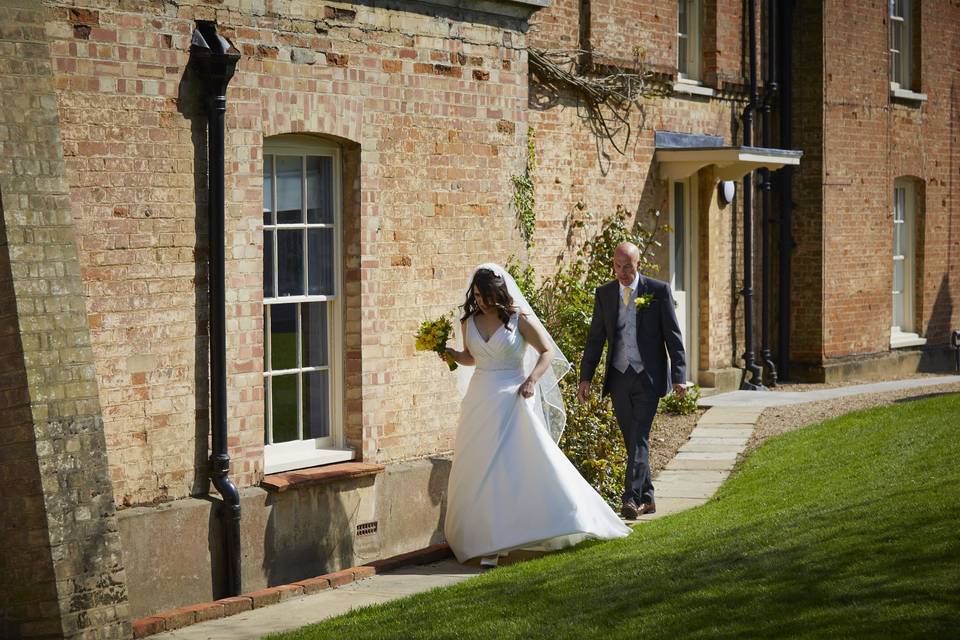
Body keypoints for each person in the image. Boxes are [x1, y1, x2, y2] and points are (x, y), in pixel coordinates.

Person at [442, 264, 630, 569]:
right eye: (476, 295)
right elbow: (472, 358)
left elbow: (547, 352)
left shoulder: (519, 318)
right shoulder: (469, 321)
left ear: (498, 292)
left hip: (514, 399)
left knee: (517, 466)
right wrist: (450, 353)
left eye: (485, 295)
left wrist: (531, 380)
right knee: (480, 470)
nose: (480, 301)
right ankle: (487, 540)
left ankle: (571, 514)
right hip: (480, 400)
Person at [576, 242, 687, 520]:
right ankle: (648, 497)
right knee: (632, 440)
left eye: (627, 266)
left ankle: (631, 498)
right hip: (619, 377)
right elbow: (595, 338)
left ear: (639, 265)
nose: (622, 272)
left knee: (639, 437)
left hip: (648, 377)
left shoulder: (657, 291)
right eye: (617, 266)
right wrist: (585, 377)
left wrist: (679, 376)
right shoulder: (605, 293)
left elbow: (673, 337)